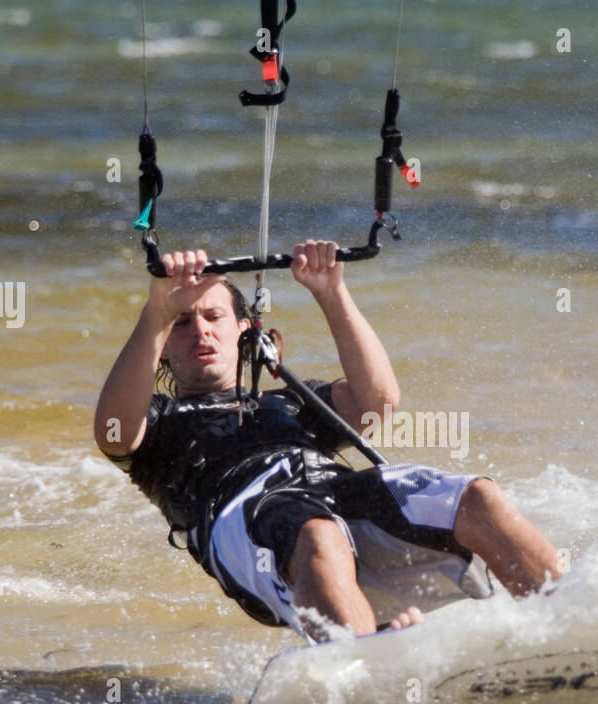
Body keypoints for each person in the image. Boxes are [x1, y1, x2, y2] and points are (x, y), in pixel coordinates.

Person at [94, 239, 563, 642]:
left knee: (477, 496)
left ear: (246, 331)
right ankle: (362, 663)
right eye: (181, 322)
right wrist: (157, 312)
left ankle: (567, 620)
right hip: (250, 519)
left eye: (213, 316)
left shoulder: (294, 402)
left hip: (334, 495)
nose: (200, 330)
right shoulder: (159, 421)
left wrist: (331, 291)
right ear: (162, 348)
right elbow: (112, 431)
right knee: (318, 534)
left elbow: (378, 403)